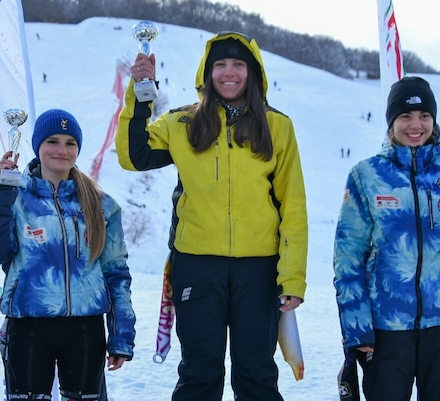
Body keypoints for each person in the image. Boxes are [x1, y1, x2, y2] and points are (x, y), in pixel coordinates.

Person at [116, 31, 308, 400]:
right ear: (207, 71)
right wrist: (140, 94)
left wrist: (292, 278)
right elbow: (133, 154)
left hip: (259, 268)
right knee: (199, 373)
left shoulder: (278, 127)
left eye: (238, 64)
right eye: (220, 64)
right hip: (198, 266)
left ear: (253, 73)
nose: (229, 72)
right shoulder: (182, 123)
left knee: (256, 374)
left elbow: (293, 208)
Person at [333, 76, 440, 400]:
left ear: (433, 120)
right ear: (391, 121)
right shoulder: (367, 174)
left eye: (424, 116)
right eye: (405, 116)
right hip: (387, 325)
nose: (415, 124)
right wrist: (356, 327)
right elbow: (348, 255)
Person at [0, 109, 135, 401]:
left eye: (70, 143)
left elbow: (115, 273)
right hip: (28, 326)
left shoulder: (101, 205)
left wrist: (121, 334)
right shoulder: (15, 196)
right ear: (38, 145)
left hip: (85, 329)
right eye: (52, 141)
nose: (61, 150)